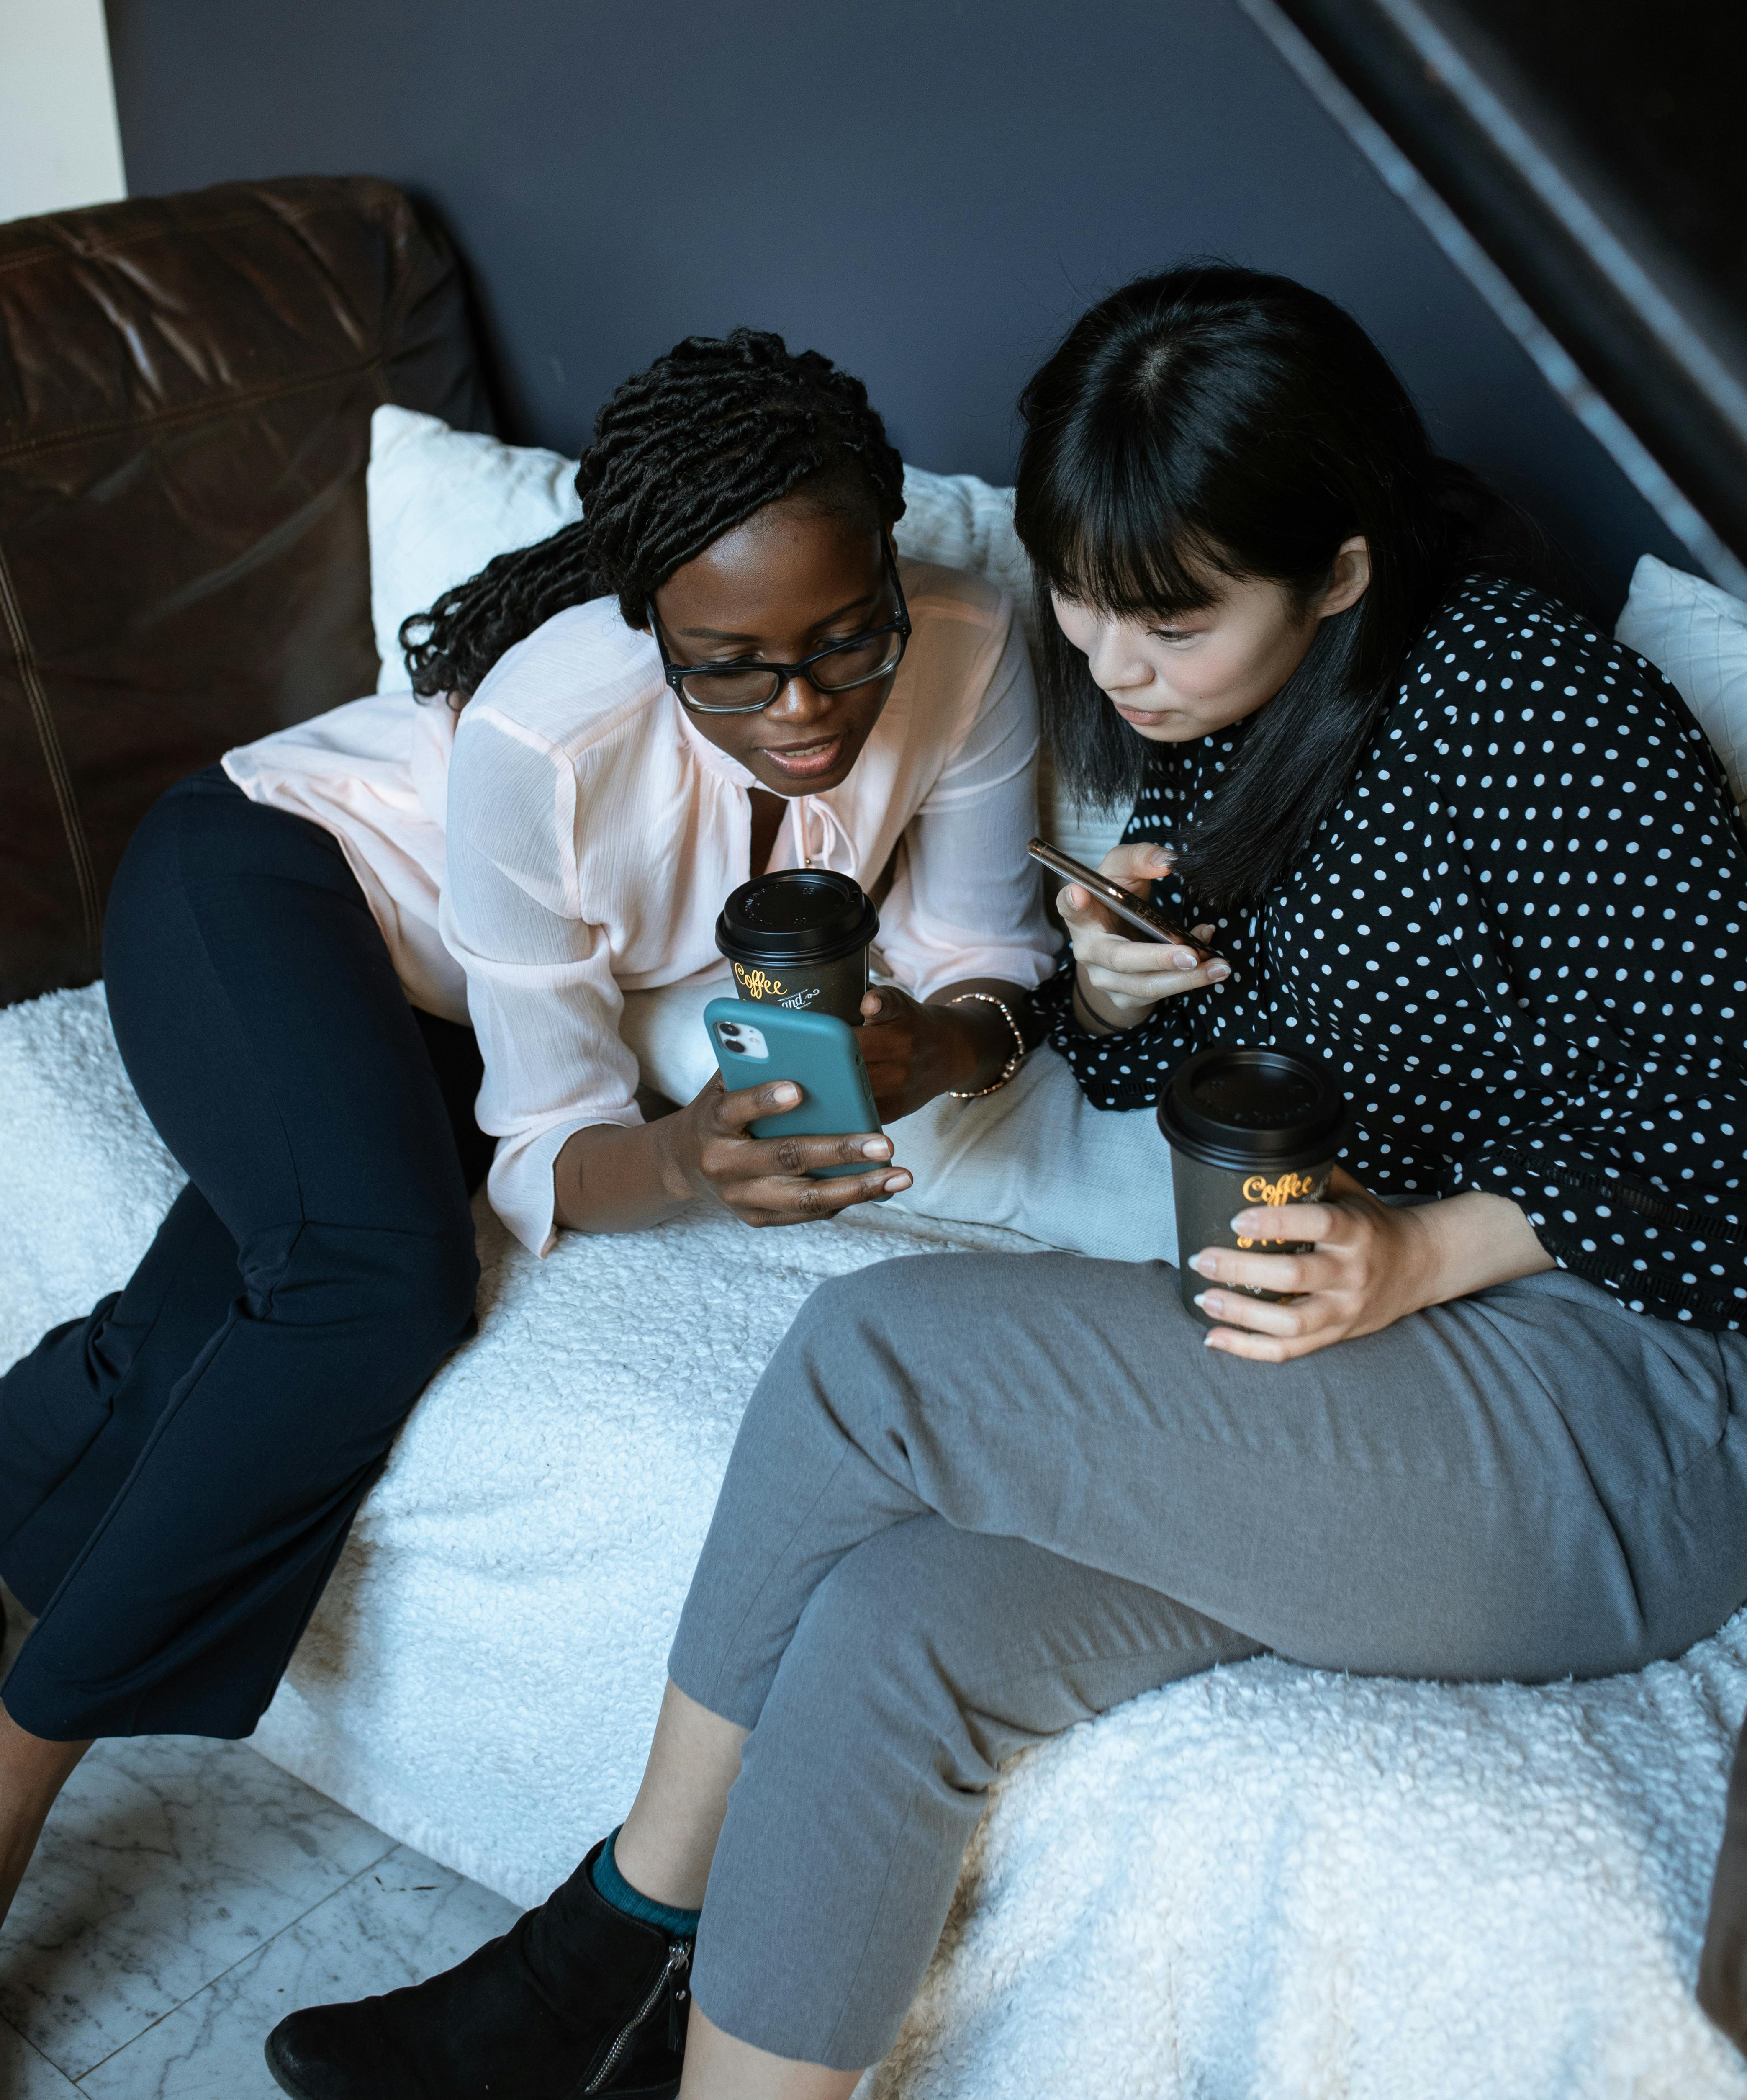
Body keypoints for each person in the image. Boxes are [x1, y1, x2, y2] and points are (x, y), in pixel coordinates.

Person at [263, 264, 1747, 2100]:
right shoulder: (1233, 739)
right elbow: (1201, 1082)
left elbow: (1724, 1118)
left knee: (872, 1357)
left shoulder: (1537, 713)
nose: (1114, 667)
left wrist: (1422, 1250)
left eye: (1172, 622)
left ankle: (599, 1948)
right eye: (1082, 600)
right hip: (1369, 1376)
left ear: (1342, 569)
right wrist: (1125, 998)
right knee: (897, 1638)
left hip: (1625, 1411)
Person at [0, 330, 1060, 1932]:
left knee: (221, 1312)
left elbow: (994, 964)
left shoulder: (972, 649)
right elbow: (558, 1144)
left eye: (851, 642)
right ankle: (15, 1775)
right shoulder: (542, 736)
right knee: (375, 1288)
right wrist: (694, 1162)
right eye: (732, 667)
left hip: (433, 1016)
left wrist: (937, 1046)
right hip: (274, 887)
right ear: (649, 628)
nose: (805, 709)